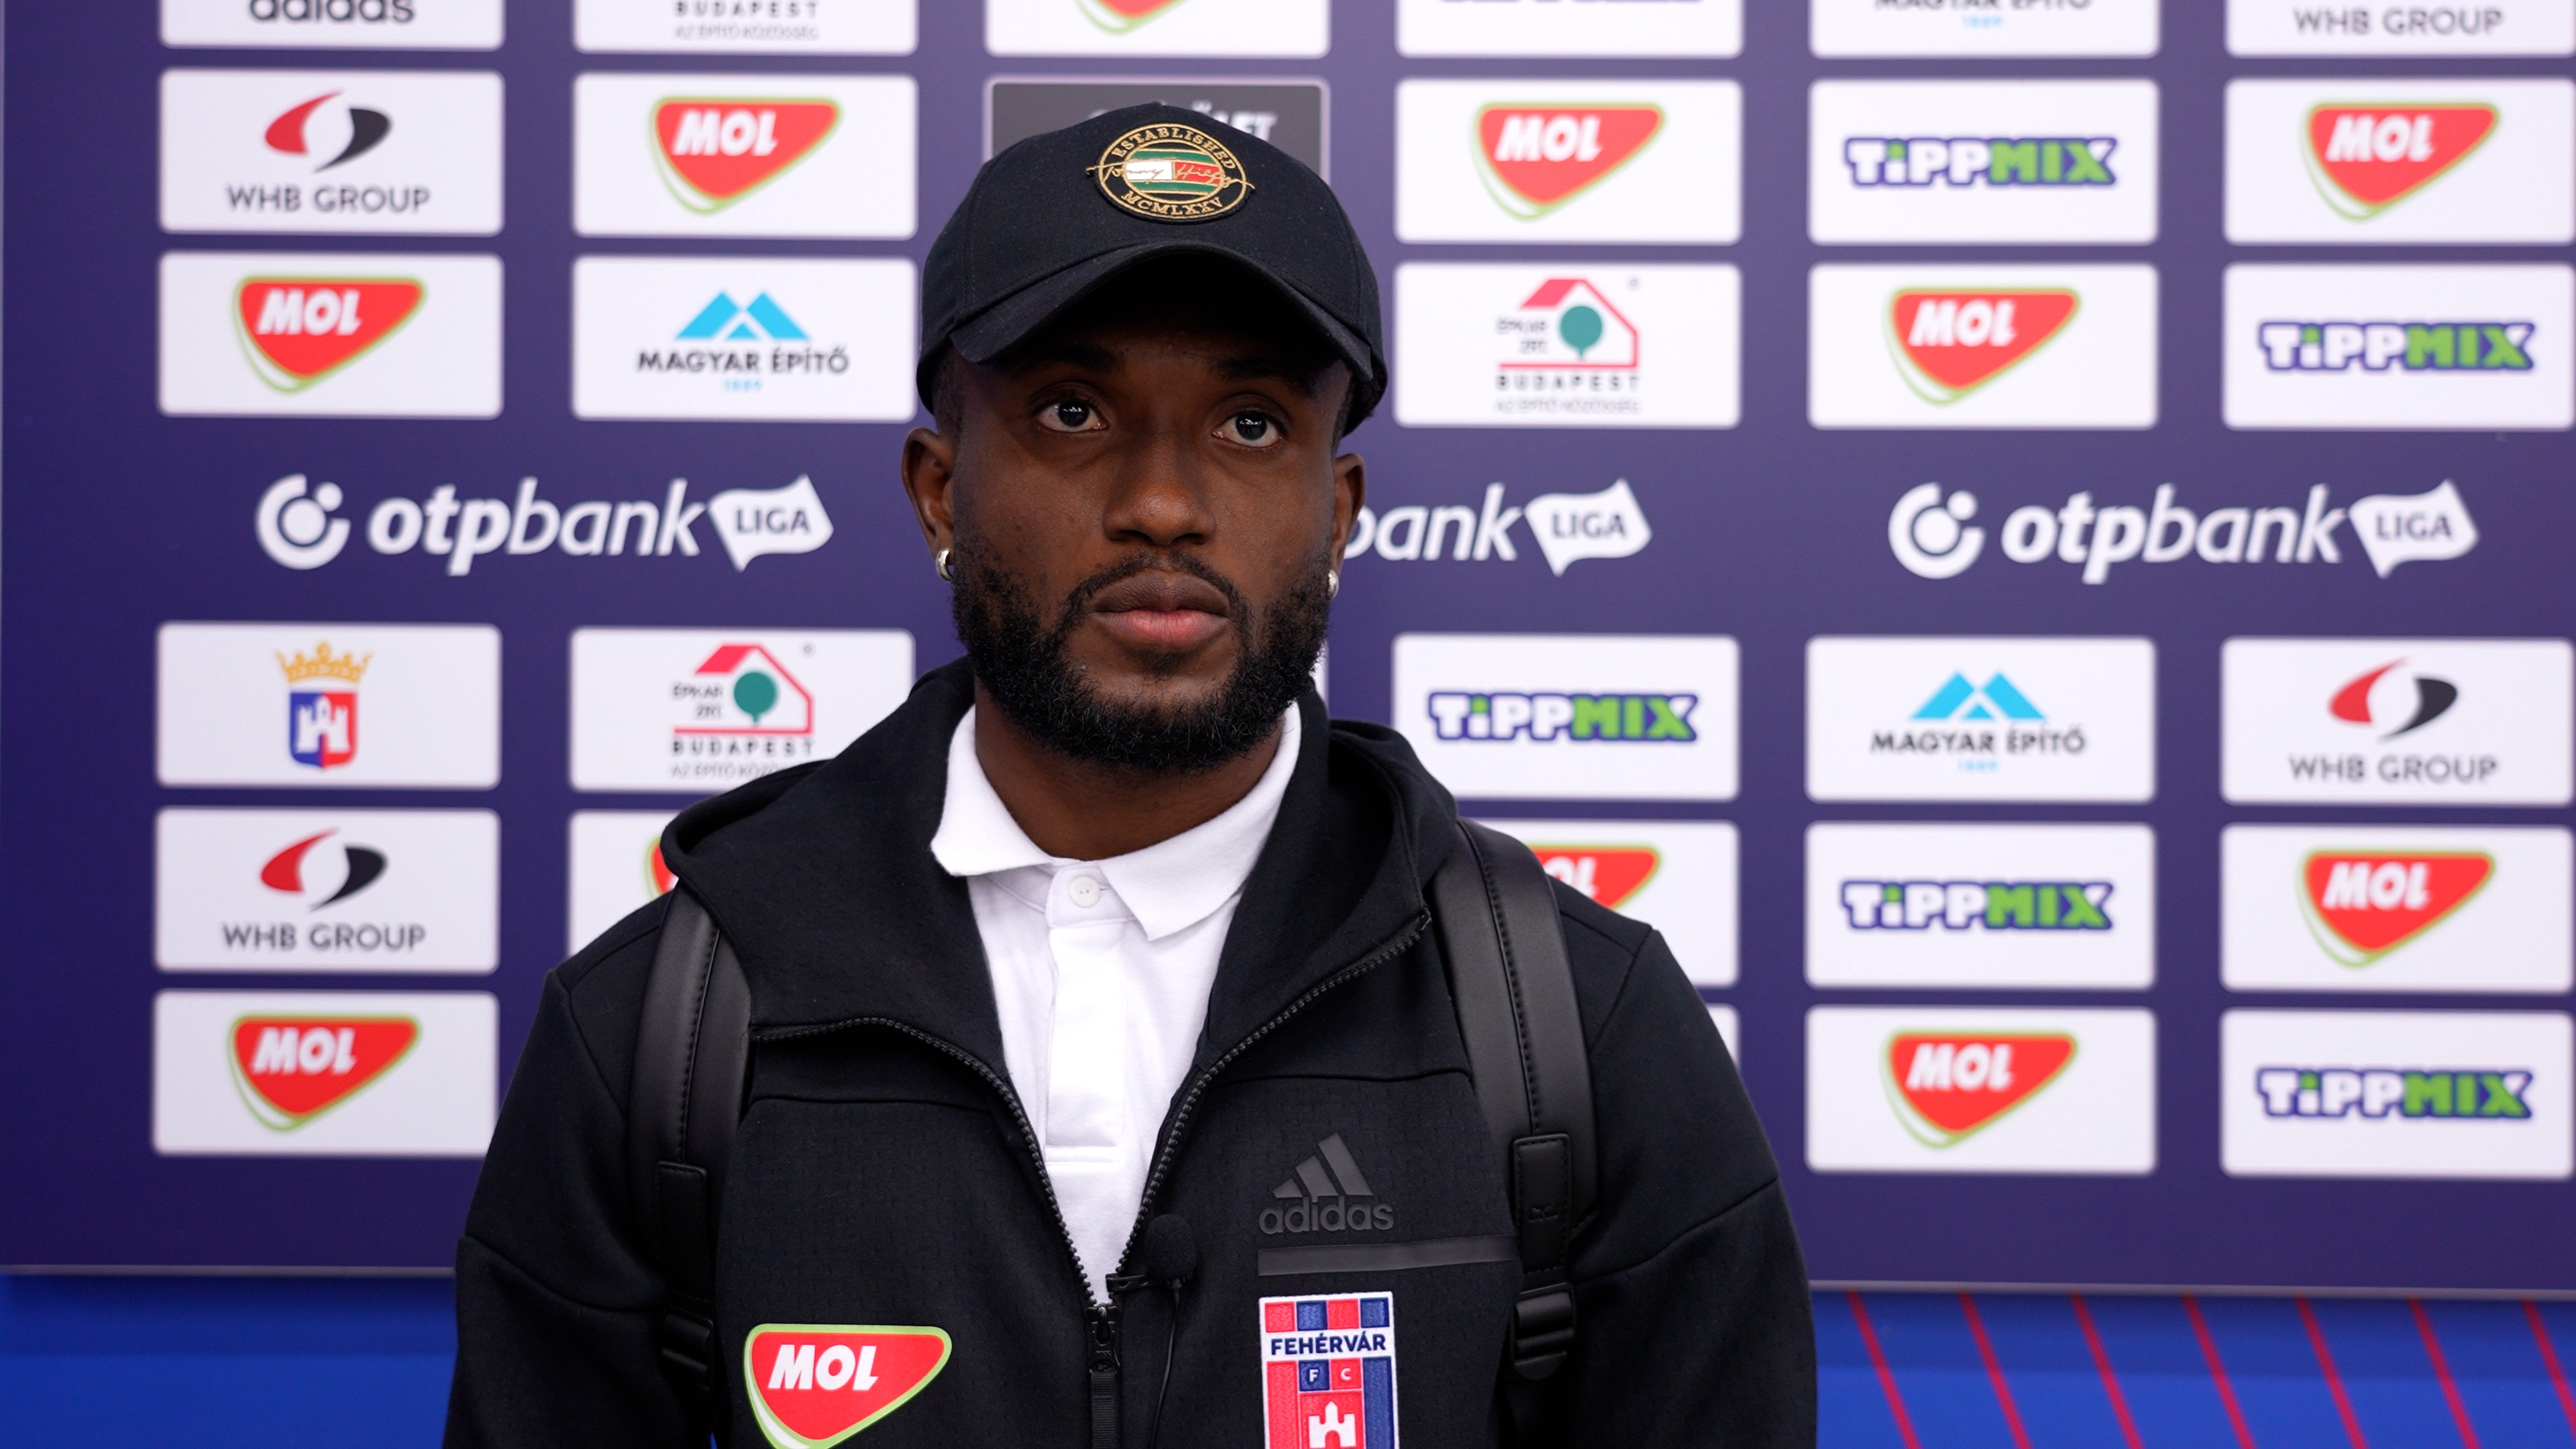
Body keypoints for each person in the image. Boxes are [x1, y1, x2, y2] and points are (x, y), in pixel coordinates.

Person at [445, 104, 1813, 1448]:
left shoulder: (1576, 1028)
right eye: (1073, 409)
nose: (1163, 503)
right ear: (938, 487)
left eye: (1252, 425)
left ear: (1338, 514)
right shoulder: (663, 1031)